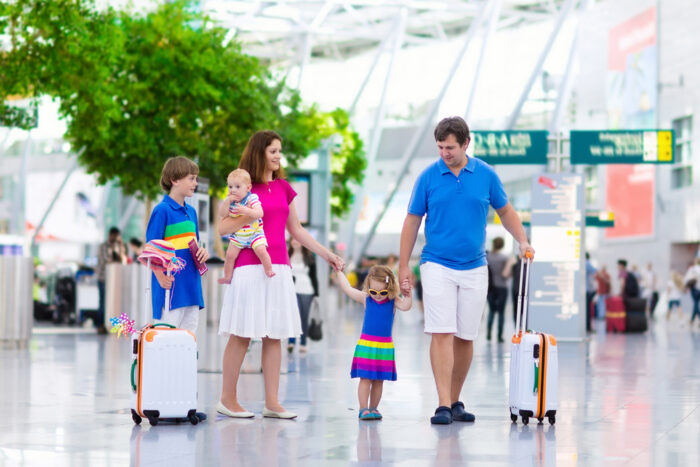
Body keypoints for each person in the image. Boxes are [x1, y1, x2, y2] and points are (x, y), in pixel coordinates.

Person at [398, 116, 534, 425]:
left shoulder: (485, 174)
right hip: (436, 263)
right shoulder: (428, 177)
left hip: (475, 266)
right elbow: (412, 221)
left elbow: (505, 211)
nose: (444, 153)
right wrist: (404, 263)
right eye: (440, 147)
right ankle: (443, 403)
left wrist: (523, 241)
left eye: (450, 147)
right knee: (442, 331)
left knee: (465, 336)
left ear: (465, 144)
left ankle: (456, 400)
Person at [217, 130, 344, 420]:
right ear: (259, 151)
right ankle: (227, 399)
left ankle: (273, 402)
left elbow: (296, 230)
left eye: (279, 151)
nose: (278, 156)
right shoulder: (242, 189)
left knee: (274, 334)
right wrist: (248, 214)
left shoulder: (284, 188)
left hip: (279, 268)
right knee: (241, 334)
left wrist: (327, 255)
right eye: (273, 150)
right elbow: (223, 229)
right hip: (248, 267)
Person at [335, 265, 412, 420]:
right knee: (365, 378)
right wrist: (339, 272)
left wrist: (408, 294)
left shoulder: (393, 300)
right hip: (367, 345)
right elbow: (348, 289)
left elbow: (406, 306)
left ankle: (374, 408)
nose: (377, 296)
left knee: (379, 380)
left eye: (382, 292)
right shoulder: (366, 298)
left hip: (384, 347)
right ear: (368, 287)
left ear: (389, 289)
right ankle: (363, 409)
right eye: (373, 291)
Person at [145, 156, 210, 332]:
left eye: (195, 178)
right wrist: (160, 277)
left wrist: (203, 253)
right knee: (166, 343)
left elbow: (194, 246)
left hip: (192, 290)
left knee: (188, 344)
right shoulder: (161, 210)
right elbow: (150, 250)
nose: (195, 183)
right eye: (191, 178)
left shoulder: (192, 212)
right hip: (170, 292)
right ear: (175, 180)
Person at [217, 168, 274, 284]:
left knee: (261, 251)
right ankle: (227, 276)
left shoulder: (251, 198)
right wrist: (226, 202)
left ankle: (269, 270)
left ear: (248, 188)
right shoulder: (230, 201)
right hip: (238, 235)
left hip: (254, 233)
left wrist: (246, 210)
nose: (233, 190)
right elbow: (222, 214)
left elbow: (260, 213)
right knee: (229, 255)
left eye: (237, 187)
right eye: (230, 187)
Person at [287, 238, 319, 353]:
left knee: (304, 317)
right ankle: (291, 342)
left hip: (307, 289)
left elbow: (314, 276)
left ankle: (303, 342)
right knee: (293, 315)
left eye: (297, 240)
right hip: (291, 289)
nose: (295, 242)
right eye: (293, 240)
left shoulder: (309, 257)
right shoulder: (287, 255)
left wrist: (316, 294)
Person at [96, 227, 127, 334]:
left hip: (114, 280)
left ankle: (112, 325)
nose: (116, 238)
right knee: (103, 302)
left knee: (112, 303)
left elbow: (122, 260)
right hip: (103, 278)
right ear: (111, 235)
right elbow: (107, 260)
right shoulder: (103, 247)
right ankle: (100, 325)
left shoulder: (118, 246)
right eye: (115, 236)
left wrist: (121, 246)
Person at [486, 237, 509, 342]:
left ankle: (488, 334)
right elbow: (506, 275)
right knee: (501, 312)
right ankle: (499, 336)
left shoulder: (487, 257)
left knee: (491, 311)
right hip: (502, 287)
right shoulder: (504, 258)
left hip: (490, 287)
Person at [684, 258, 700, 326]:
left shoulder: (692, 269)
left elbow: (687, 278)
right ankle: (692, 320)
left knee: (695, 303)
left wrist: (685, 286)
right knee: (696, 303)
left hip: (695, 288)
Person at [585, 253, 597, 332]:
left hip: (584, 290)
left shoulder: (583, 263)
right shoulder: (587, 263)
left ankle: (587, 327)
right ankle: (588, 327)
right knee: (587, 310)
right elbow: (596, 271)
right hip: (587, 290)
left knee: (586, 310)